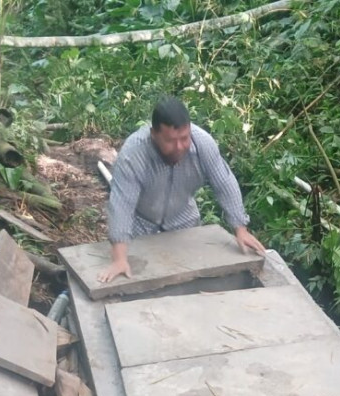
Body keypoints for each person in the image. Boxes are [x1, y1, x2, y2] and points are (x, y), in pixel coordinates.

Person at [98, 96, 265, 283]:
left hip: (183, 219)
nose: (179, 147)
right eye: (170, 140)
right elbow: (122, 204)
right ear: (154, 134)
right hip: (140, 224)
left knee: (193, 279)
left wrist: (240, 228)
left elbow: (224, 183)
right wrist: (119, 259)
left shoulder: (203, 144)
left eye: (184, 138)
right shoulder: (134, 152)